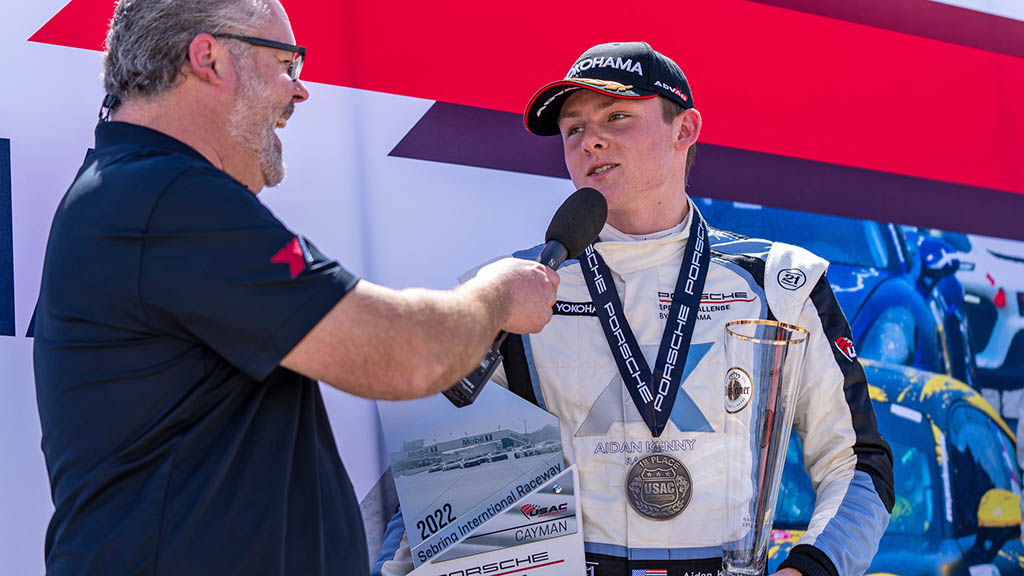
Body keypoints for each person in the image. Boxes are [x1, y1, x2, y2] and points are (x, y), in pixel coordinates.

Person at [32, 1, 560, 574]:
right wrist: (498, 295)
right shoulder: (168, 196)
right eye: (287, 63)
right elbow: (406, 355)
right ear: (209, 58)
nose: (300, 90)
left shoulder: (142, 191)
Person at [375, 42, 894, 576]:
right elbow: (436, 487)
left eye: (616, 116)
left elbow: (857, 464)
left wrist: (810, 569)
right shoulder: (511, 289)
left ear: (684, 130)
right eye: (573, 129)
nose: (590, 140)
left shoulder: (781, 282)